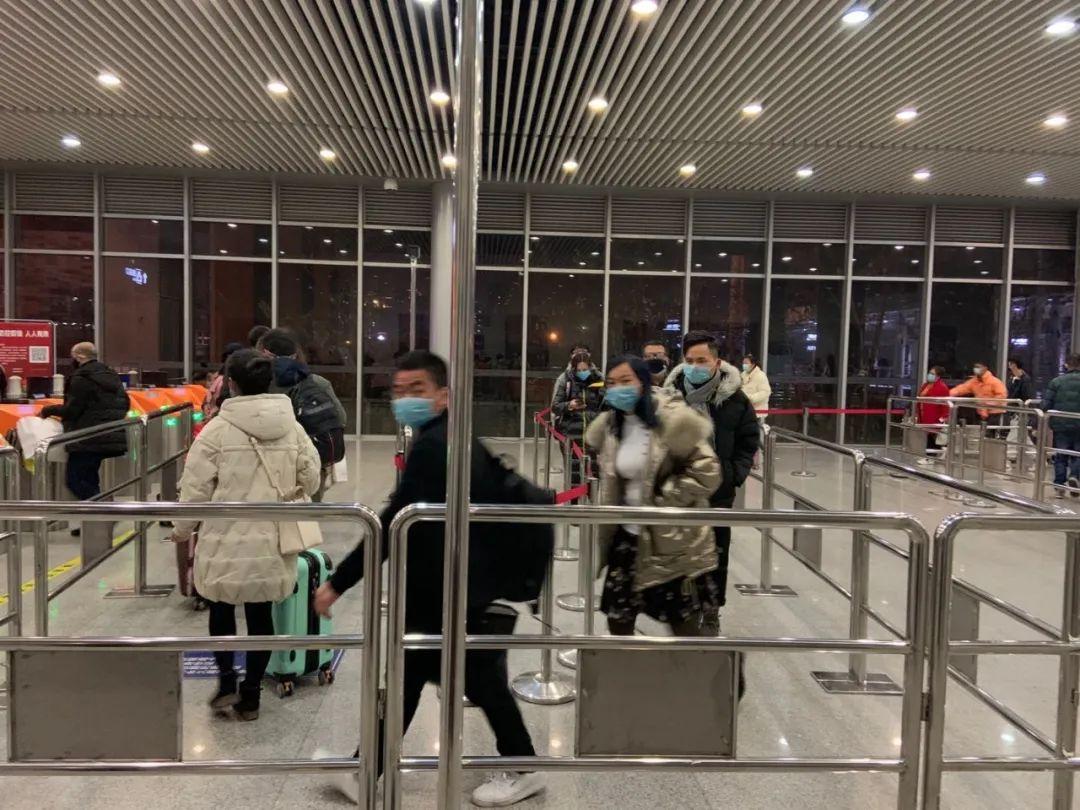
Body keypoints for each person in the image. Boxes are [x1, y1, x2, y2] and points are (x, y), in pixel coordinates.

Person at [313, 350, 544, 807]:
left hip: (450, 586)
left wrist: (338, 582)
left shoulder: (436, 446)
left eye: (417, 389)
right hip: (455, 581)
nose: (405, 399)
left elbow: (390, 521)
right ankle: (367, 769)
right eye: (399, 391)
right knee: (430, 675)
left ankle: (523, 767)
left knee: (445, 676)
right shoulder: (449, 436)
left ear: (443, 395)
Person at [171, 349, 322, 720]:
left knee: (221, 609)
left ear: (231, 384)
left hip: (223, 538)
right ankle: (252, 695)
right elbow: (311, 479)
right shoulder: (292, 426)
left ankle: (226, 683)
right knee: (260, 614)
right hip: (273, 538)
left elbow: (195, 489)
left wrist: (182, 529)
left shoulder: (217, 430)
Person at [585, 355, 722, 637]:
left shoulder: (673, 421)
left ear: (644, 382)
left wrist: (663, 500)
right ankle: (631, 668)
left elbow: (708, 471)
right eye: (611, 383)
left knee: (684, 628)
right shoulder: (611, 426)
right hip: (627, 539)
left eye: (626, 381)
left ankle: (715, 664)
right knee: (618, 621)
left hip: (670, 541)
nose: (618, 389)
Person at [664, 332, 758, 628]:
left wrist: (732, 475)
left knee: (716, 553)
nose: (695, 367)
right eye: (689, 360)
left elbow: (748, 441)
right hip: (677, 491)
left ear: (716, 362)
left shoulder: (735, 400)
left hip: (717, 492)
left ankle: (711, 609)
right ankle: (683, 606)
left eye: (701, 360)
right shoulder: (669, 398)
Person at [259, 328, 347, 502]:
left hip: (266, 466)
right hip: (309, 465)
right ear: (295, 354)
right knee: (308, 513)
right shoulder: (317, 383)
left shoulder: (257, 385)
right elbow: (341, 418)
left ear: (264, 353)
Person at [41, 343, 130, 510]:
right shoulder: (111, 374)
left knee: (75, 480)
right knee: (90, 478)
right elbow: (125, 404)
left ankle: (104, 511)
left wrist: (48, 410)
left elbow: (72, 410)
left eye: (73, 357)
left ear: (79, 357)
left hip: (86, 438)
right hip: (108, 434)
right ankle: (98, 517)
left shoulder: (81, 377)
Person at [551, 349, 604, 480]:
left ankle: (591, 493)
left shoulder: (600, 380)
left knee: (593, 474)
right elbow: (555, 406)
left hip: (593, 434)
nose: (582, 372)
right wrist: (570, 405)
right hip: (571, 434)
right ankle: (573, 493)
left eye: (584, 369)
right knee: (573, 474)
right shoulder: (566, 380)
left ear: (590, 367)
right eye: (579, 370)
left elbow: (605, 405)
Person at [1043, 354, 1080, 498]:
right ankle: (1075, 476)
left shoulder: (1056, 382)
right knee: (1078, 454)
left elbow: (1046, 404)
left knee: (1061, 455)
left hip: (1061, 424)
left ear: (1066, 365)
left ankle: (1059, 486)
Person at [949, 361, 1007, 430]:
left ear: (985, 368)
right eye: (975, 367)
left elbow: (1002, 395)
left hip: (995, 413)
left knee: (991, 433)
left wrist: (988, 404)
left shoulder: (995, 381)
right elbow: (961, 389)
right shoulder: (974, 381)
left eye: (978, 367)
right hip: (981, 413)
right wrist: (946, 394)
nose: (976, 369)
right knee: (982, 433)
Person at [916, 366, 951, 464]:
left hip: (934, 416)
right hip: (924, 414)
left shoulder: (942, 387)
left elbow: (945, 405)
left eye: (932, 374)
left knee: (932, 436)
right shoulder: (925, 385)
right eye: (929, 373)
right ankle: (942, 450)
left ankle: (930, 457)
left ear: (938, 376)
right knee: (932, 436)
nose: (929, 375)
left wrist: (943, 418)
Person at [203, 341, 244, 421]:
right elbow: (209, 395)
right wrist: (205, 404)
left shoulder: (239, 378)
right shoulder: (218, 376)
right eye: (228, 357)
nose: (229, 360)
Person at [1006, 357, 1037, 452]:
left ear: (1014, 365)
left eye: (1010, 364)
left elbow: (1027, 396)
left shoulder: (1025, 380)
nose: (1009, 366)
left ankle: (1008, 458)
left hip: (1020, 413)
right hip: (1014, 412)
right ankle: (1036, 457)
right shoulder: (1012, 378)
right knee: (1024, 438)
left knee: (1012, 439)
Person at [740, 354, 772, 418]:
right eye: (743, 363)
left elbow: (765, 392)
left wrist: (750, 398)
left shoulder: (760, 375)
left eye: (746, 363)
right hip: (745, 410)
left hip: (758, 412)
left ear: (753, 364)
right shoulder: (743, 374)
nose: (744, 365)